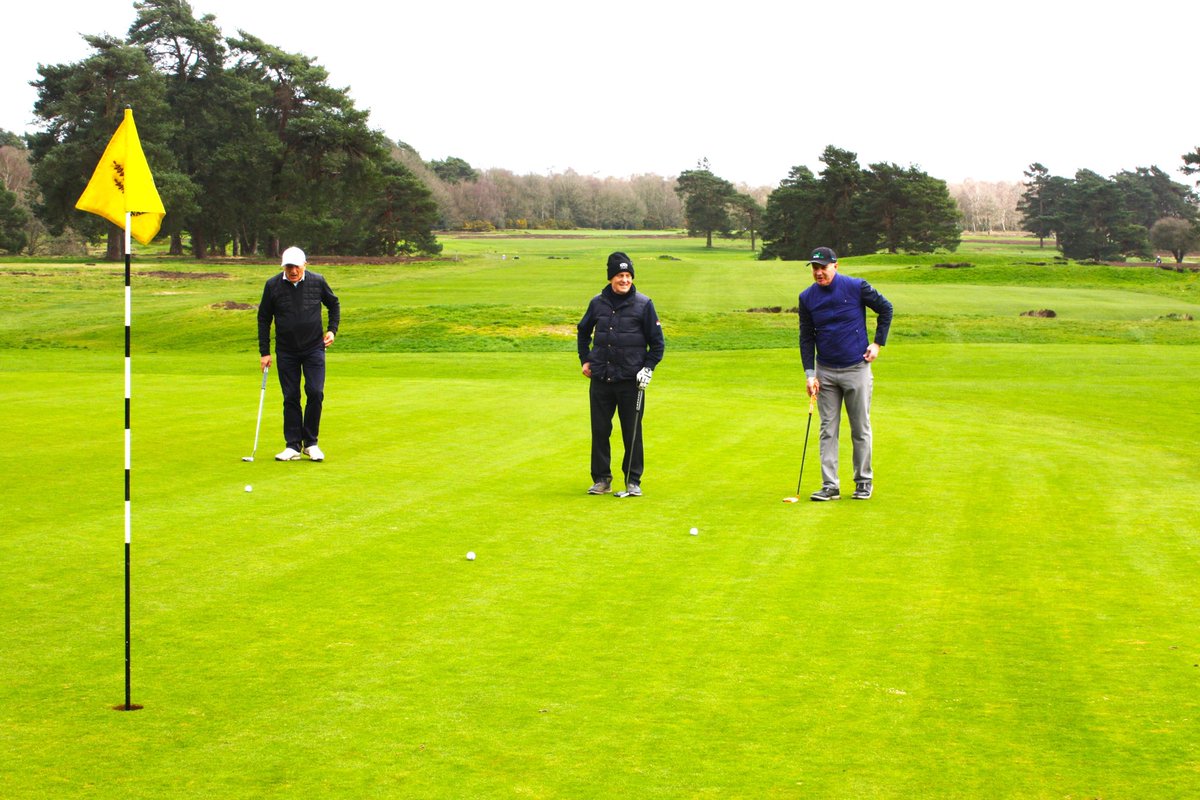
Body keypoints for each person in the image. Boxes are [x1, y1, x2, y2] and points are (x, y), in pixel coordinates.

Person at [798, 246, 894, 501]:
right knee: (827, 429)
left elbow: (886, 309)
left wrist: (877, 344)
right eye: (815, 269)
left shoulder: (856, 287)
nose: (819, 273)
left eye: (823, 268)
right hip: (825, 372)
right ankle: (830, 485)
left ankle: (863, 481)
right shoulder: (807, 298)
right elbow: (806, 338)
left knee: (859, 427)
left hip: (856, 368)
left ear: (836, 266)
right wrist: (810, 373)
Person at [577, 252, 665, 496]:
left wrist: (648, 369)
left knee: (632, 432)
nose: (624, 280)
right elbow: (583, 332)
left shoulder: (644, 304)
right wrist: (585, 359)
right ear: (610, 279)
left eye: (627, 275)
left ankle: (633, 480)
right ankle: (602, 479)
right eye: (619, 276)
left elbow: (657, 344)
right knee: (600, 430)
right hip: (601, 379)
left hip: (631, 381)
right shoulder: (597, 303)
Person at [257, 246, 340, 462]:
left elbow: (334, 304)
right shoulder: (273, 285)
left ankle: (311, 443)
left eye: (296, 266)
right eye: (289, 266)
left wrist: (332, 330)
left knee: (315, 392)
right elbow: (264, 319)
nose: (293, 270)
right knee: (291, 396)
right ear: (283, 267)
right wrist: (264, 352)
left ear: (305, 265)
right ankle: (292, 445)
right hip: (286, 350)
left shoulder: (317, 281)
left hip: (314, 348)